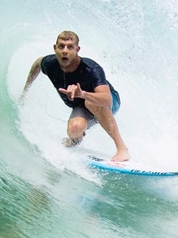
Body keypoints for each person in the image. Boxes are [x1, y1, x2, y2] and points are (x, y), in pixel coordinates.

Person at [21, 31, 130, 162]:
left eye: (70, 47)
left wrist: (83, 94)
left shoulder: (91, 68)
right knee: (74, 129)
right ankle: (75, 140)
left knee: (91, 102)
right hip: (81, 105)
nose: (65, 51)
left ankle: (122, 149)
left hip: (107, 101)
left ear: (77, 50)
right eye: (61, 46)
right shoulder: (50, 64)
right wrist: (26, 90)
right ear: (55, 48)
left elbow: (106, 99)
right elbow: (38, 63)